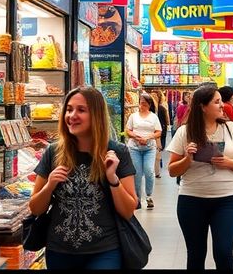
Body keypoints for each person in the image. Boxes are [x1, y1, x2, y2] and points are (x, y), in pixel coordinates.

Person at [29, 87, 137, 269]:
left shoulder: (116, 152)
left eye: (81, 110)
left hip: (105, 249)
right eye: (69, 109)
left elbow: (128, 211)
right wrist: (49, 186)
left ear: (96, 115)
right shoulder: (54, 152)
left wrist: (112, 179)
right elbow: (35, 208)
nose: (72, 115)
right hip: (59, 250)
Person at [166, 85, 233, 270]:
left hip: (227, 201)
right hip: (191, 200)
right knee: (196, 254)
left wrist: (230, 163)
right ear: (202, 106)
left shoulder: (231, 129)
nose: (222, 105)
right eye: (217, 101)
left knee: (223, 252)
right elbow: (172, 171)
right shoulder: (185, 131)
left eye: (221, 100)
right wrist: (187, 158)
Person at [126, 93, 163, 209]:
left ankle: (149, 196)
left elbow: (158, 132)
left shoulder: (153, 117)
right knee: (136, 172)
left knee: (149, 170)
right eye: (141, 103)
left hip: (149, 148)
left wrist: (147, 138)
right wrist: (136, 137)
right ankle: (137, 198)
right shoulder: (133, 116)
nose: (142, 106)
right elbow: (128, 130)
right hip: (134, 148)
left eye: (145, 104)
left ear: (149, 104)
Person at [151, 90, 170, 178]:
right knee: (158, 150)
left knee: (157, 150)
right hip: (158, 133)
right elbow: (166, 121)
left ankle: (157, 168)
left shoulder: (160, 109)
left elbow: (165, 121)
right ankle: (157, 168)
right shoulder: (160, 108)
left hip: (158, 133)